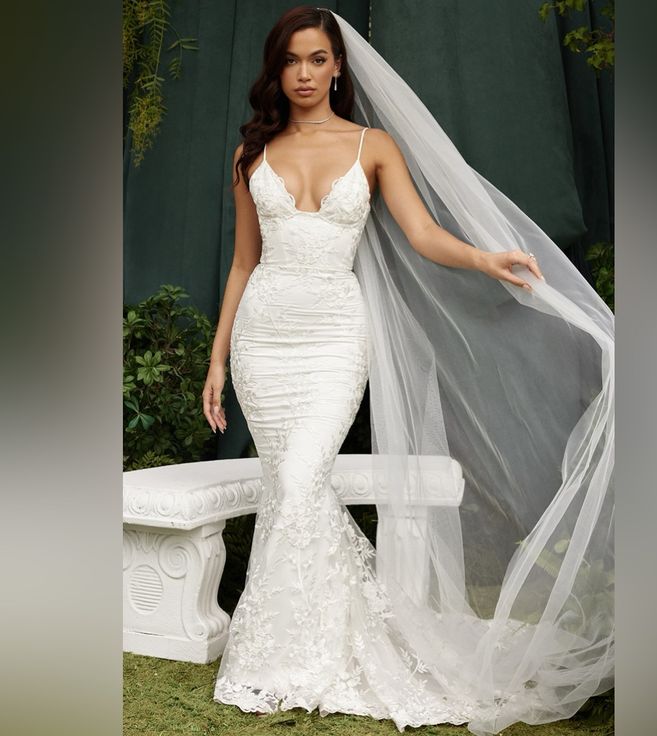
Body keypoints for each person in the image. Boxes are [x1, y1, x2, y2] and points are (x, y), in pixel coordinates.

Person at [202, 6, 614, 736]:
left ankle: (293, 651)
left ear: (338, 67)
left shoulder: (374, 146)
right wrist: (218, 355)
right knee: (289, 489)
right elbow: (243, 263)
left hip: (333, 337)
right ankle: (287, 648)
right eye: (292, 61)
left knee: (300, 481)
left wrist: (487, 257)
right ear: (278, 69)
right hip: (264, 342)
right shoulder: (250, 154)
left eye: (318, 59)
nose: (304, 73)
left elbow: (422, 234)